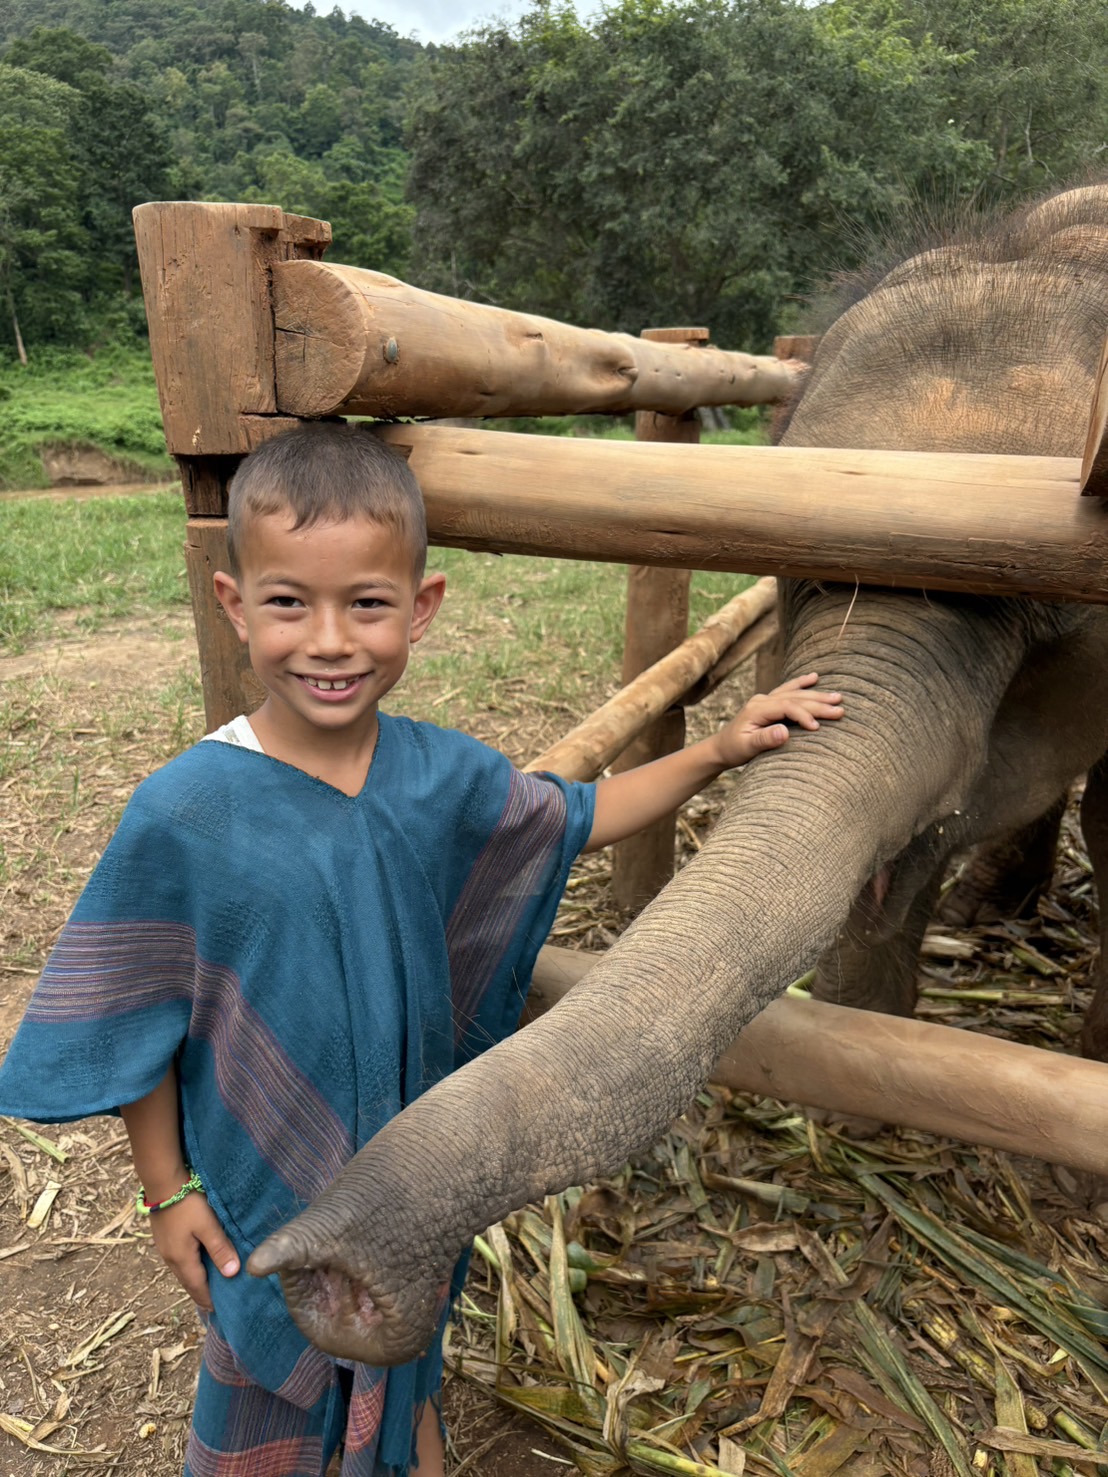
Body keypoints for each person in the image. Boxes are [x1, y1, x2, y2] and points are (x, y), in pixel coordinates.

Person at [0, 423, 843, 1477]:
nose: (329, 641)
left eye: (366, 604)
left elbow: (578, 815)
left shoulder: (442, 777)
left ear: (422, 605)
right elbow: (138, 1021)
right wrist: (168, 1191)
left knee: (402, 1345)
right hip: (259, 1182)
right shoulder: (185, 812)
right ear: (234, 603)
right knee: (265, 1362)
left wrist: (721, 747)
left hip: (410, 1172)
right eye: (287, 602)